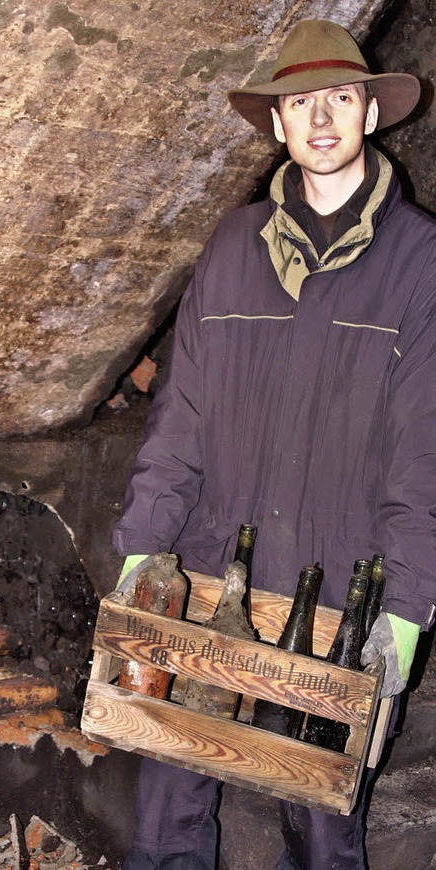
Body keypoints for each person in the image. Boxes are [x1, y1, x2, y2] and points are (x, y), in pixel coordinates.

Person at [112, 18, 436, 870]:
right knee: (163, 828)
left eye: (340, 98)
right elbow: (177, 416)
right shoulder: (229, 247)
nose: (321, 118)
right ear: (279, 124)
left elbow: (424, 454)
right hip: (213, 568)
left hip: (340, 591)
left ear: (370, 113)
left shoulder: (421, 263)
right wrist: (144, 550)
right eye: (301, 102)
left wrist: (404, 609)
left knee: (323, 838)